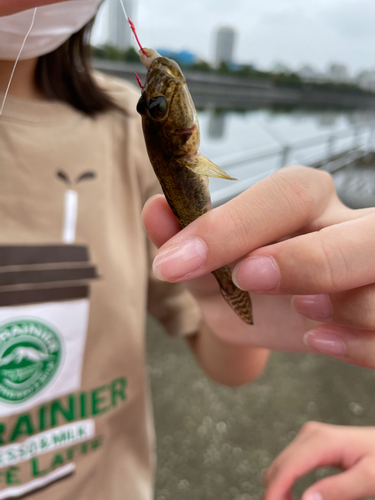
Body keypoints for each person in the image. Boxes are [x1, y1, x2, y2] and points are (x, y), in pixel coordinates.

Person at [0, 1, 374, 499]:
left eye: (155, 107)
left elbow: (228, 360)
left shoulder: (116, 130)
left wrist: (255, 290)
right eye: (155, 106)